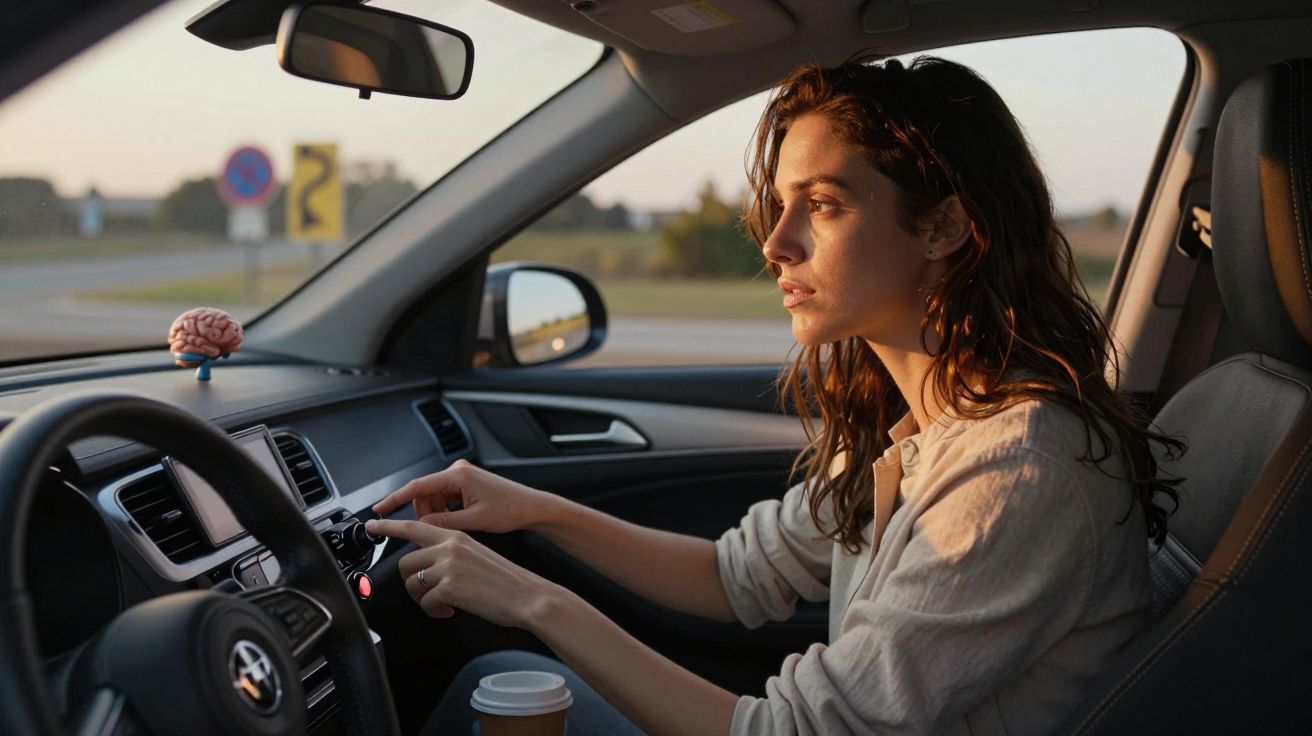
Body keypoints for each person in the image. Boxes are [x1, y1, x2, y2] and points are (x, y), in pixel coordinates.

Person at [365, 55, 1183, 736]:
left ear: (942, 229)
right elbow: (734, 576)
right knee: (501, 676)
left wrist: (533, 601)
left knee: (498, 680)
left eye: (823, 205)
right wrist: (532, 508)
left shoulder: (1016, 470)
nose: (775, 239)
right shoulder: (926, 426)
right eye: (783, 201)